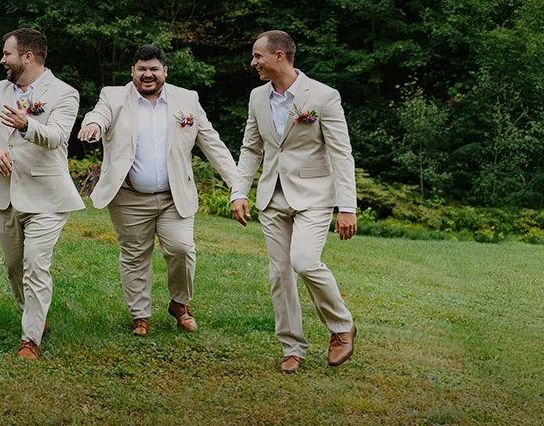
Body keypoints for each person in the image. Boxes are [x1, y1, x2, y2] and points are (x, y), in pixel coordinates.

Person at [77, 44, 241, 337]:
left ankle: (180, 303)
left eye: (154, 69)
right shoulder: (113, 96)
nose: (147, 74)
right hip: (128, 197)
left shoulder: (187, 99)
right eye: (141, 69)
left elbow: (212, 144)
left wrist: (236, 185)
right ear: (132, 71)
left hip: (173, 196)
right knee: (134, 255)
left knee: (181, 249)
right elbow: (98, 114)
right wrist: (92, 125)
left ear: (165, 71)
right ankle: (140, 316)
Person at [227, 30, 360, 373]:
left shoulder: (324, 96)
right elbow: (251, 148)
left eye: (258, 56)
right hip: (271, 195)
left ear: (279, 56)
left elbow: (341, 154)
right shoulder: (257, 97)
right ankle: (292, 347)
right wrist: (239, 191)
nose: (253, 63)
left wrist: (347, 207)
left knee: (304, 261)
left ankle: (341, 326)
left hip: (314, 195)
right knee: (279, 274)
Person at [0, 28, 83, 360]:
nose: (2, 60)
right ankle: (34, 314)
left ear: (28, 57)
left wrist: (26, 125)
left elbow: (57, 137)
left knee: (35, 264)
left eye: (7, 54)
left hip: (47, 197)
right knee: (13, 266)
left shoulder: (64, 93)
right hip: (6, 195)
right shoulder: (0, 89)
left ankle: (30, 340)